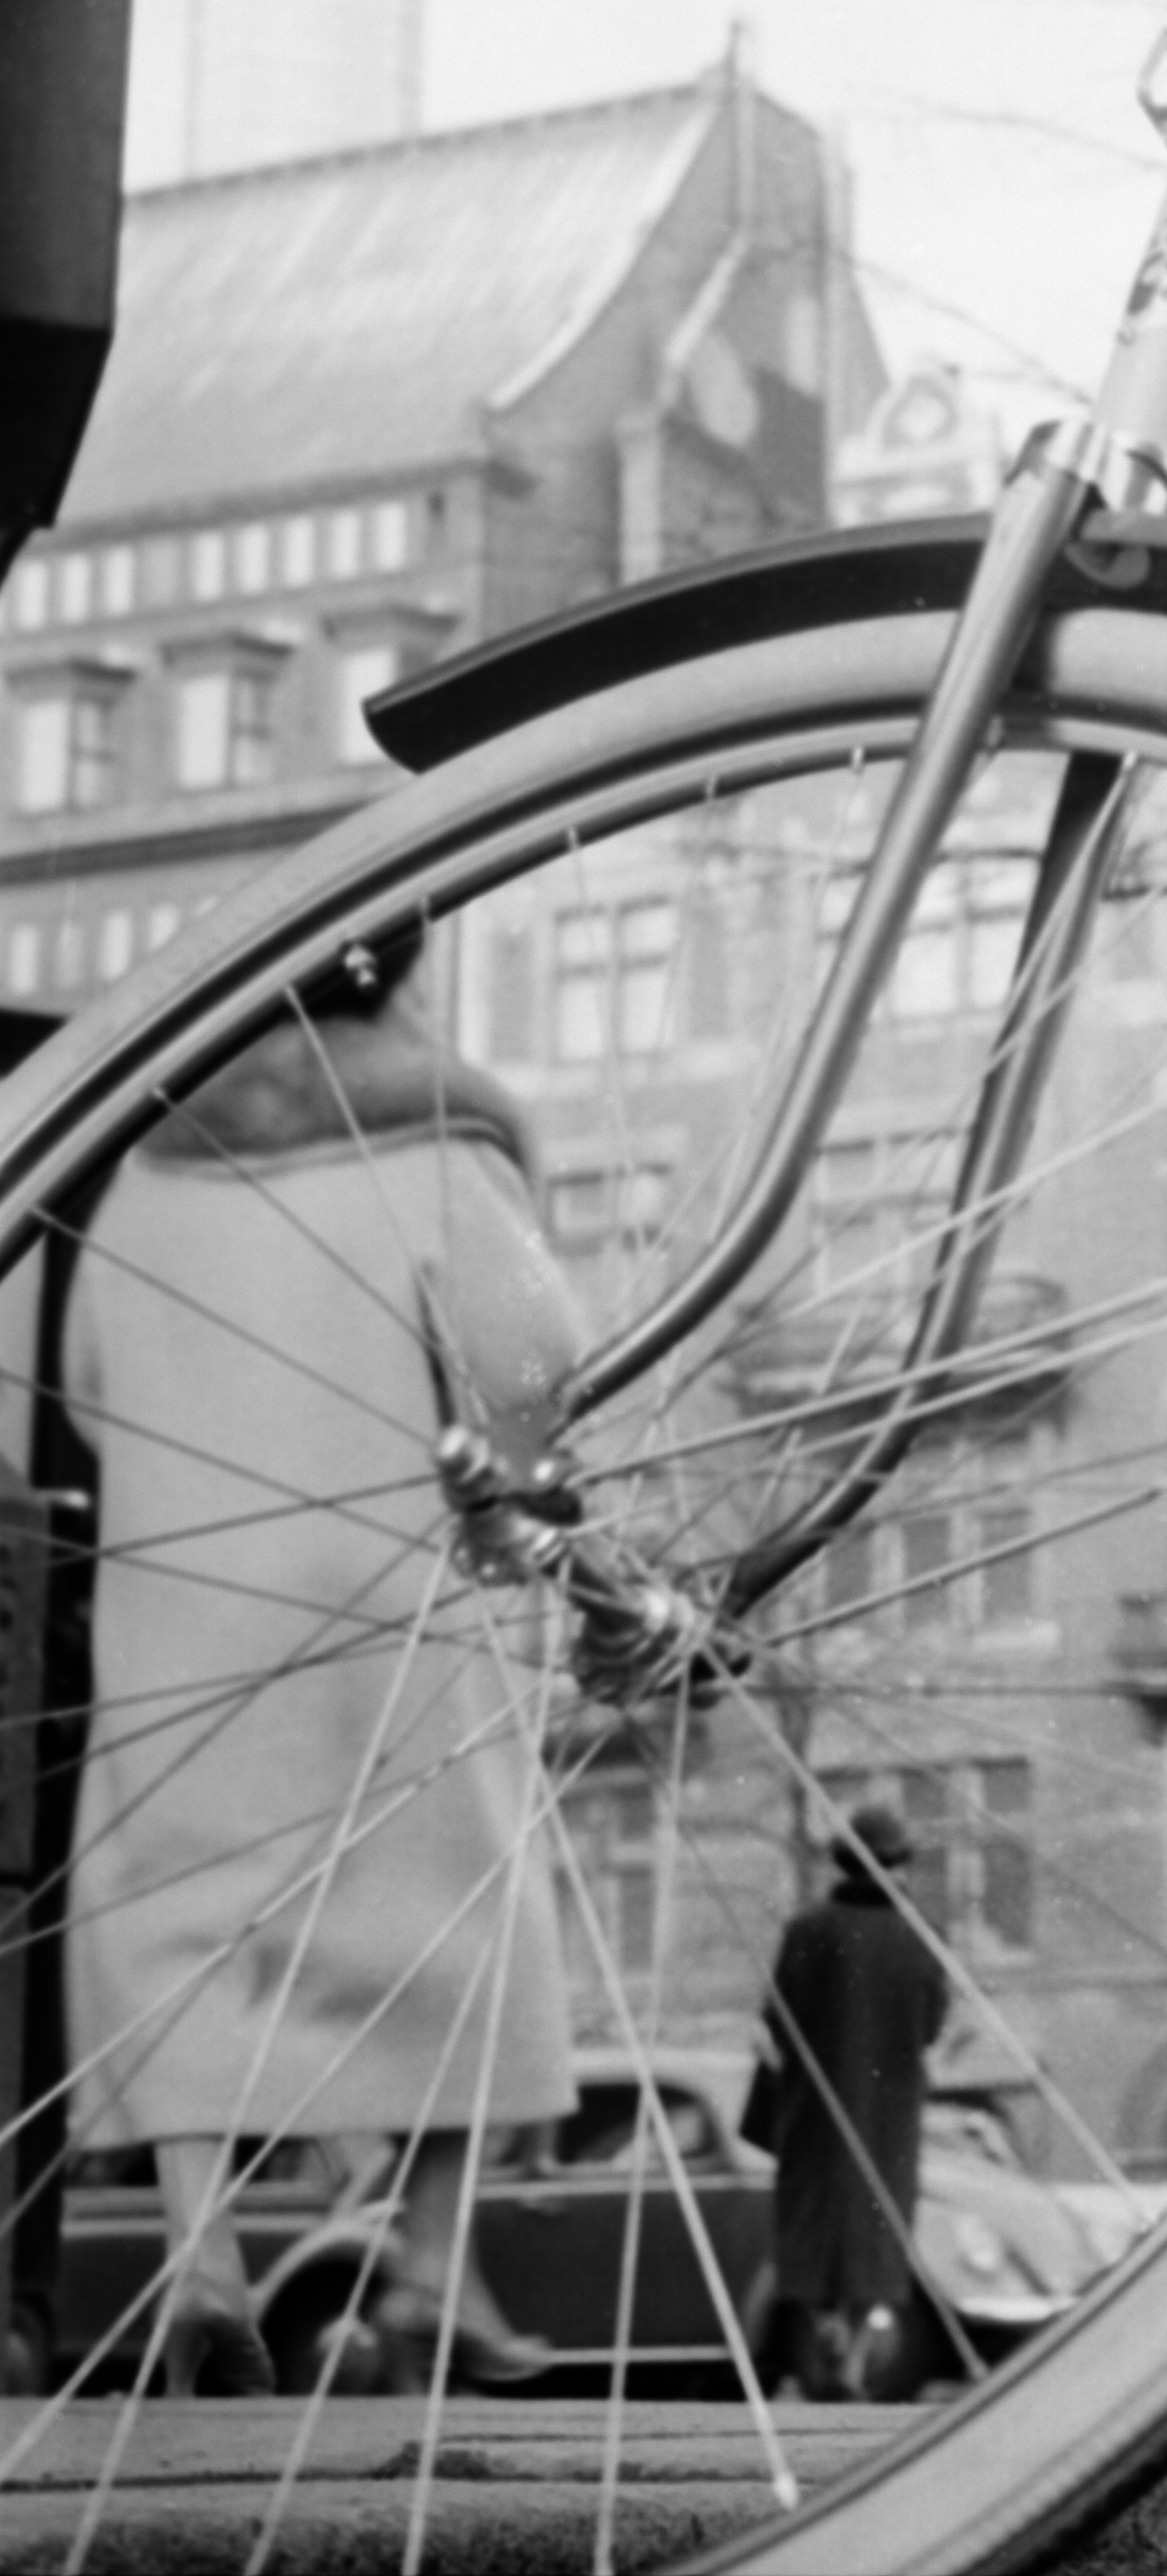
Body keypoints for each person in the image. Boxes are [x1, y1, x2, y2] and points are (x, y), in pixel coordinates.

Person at [56, 929, 574, 2393]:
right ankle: (428, 2258)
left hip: (179, 1599)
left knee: (177, 1923)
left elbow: (80, 1383)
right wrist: (514, 1490)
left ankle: (203, 2261)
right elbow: (528, 1357)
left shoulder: (142, 1164)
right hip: (383, 1577)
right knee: (462, 1903)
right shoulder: (429, 1133)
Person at [755, 1799, 949, 2402]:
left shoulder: (806, 1929)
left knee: (812, 2223)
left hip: (816, 2109)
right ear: (898, 1863)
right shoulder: (919, 1936)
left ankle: (825, 2328)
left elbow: (776, 2017)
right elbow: (932, 2022)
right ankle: (856, 2353)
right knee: (879, 2232)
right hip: (888, 2111)